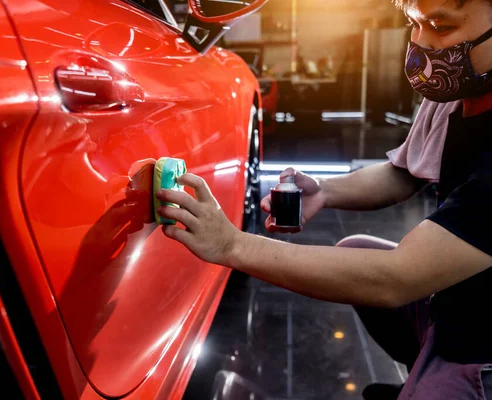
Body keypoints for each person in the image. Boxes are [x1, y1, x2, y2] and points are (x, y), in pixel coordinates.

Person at [155, 0, 492, 398]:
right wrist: (326, 190)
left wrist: (232, 245)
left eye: (440, 25)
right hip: (458, 299)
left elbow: (397, 278)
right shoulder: (453, 98)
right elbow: (403, 173)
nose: (421, 43)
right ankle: (426, 364)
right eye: (414, 24)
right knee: (355, 250)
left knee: (377, 283)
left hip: (482, 340)